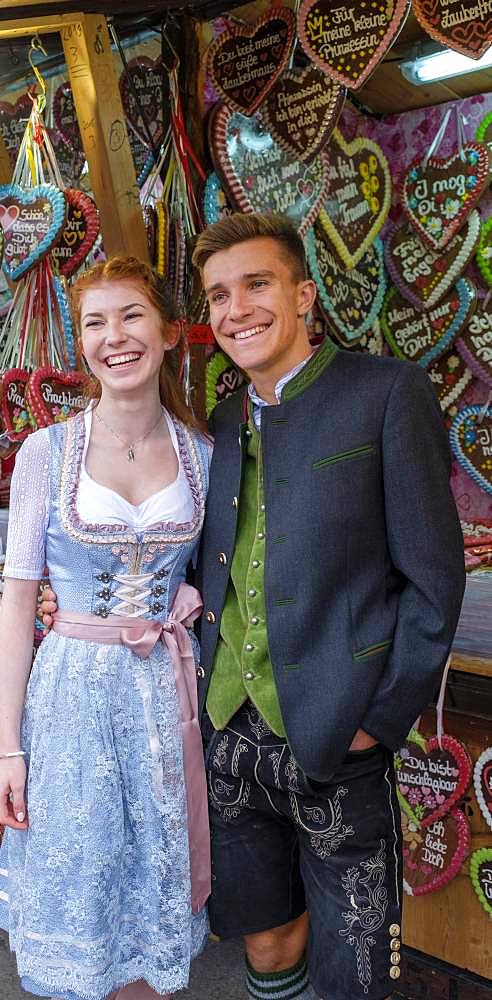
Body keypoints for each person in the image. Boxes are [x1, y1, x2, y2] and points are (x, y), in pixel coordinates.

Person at [191, 212, 465, 1000]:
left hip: (338, 741)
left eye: (256, 284)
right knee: (268, 943)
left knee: (354, 973)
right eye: (217, 295)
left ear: (304, 294)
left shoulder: (386, 393)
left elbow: (434, 581)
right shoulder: (225, 419)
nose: (235, 308)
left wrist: (378, 720)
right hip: (231, 740)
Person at [0, 256, 212, 1000]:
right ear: (80, 342)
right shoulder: (46, 454)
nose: (113, 337)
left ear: (169, 332)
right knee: (83, 907)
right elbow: (18, 609)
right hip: (72, 705)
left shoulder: (203, 457)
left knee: (146, 917)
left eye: (131, 316)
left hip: (163, 701)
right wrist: (8, 748)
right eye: (94, 322)